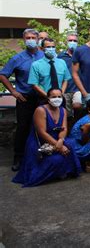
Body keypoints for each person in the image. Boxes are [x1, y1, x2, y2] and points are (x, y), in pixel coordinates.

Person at [12, 88, 81, 187]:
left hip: (57, 139)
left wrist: (61, 141)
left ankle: (60, 172)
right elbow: (42, 132)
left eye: (59, 97)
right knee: (56, 159)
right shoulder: (41, 110)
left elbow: (64, 129)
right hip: (40, 141)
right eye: (53, 97)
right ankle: (51, 173)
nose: (57, 99)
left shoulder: (63, 110)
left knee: (71, 145)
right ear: (48, 98)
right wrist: (59, 146)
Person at [0, 29, 44, 171]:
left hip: (42, 98)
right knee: (23, 128)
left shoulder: (44, 56)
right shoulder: (17, 58)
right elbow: (3, 75)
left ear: (38, 39)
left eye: (33, 37)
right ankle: (18, 158)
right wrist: (13, 92)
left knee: (42, 128)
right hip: (25, 98)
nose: (30, 40)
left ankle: (42, 157)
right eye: (28, 37)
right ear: (24, 40)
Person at [65, 98, 90, 170]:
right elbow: (83, 141)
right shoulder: (88, 123)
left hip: (80, 145)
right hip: (77, 149)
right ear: (89, 110)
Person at [58, 32, 82, 121]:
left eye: (75, 40)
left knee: (78, 106)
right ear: (66, 42)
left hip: (77, 89)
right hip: (65, 88)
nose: (72, 42)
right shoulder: (60, 56)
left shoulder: (81, 55)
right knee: (67, 114)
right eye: (70, 40)